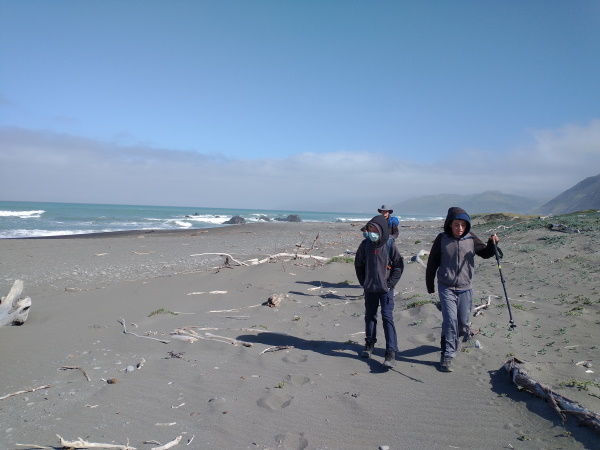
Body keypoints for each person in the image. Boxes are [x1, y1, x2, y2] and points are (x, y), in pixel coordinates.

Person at [425, 207, 500, 372]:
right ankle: (447, 355)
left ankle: (459, 336)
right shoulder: (442, 239)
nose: (460, 228)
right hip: (446, 286)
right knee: (450, 321)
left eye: (463, 225)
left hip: (466, 287)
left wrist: (491, 243)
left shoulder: (471, 238)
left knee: (463, 324)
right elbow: (432, 263)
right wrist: (430, 285)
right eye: (456, 224)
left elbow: (486, 253)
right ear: (450, 224)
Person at [355, 214, 404, 368]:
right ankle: (369, 344)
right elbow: (358, 265)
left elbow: (399, 266)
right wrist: (364, 282)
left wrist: (390, 284)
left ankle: (390, 352)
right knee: (370, 316)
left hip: (385, 289)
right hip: (370, 289)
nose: (371, 232)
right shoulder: (365, 245)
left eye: (374, 229)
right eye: (369, 229)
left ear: (382, 230)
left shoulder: (390, 244)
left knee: (387, 317)